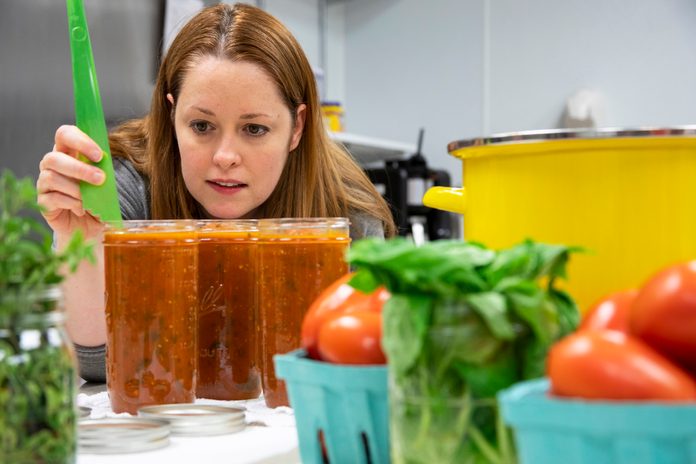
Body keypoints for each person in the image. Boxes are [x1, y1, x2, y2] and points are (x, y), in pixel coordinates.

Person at [36, 3, 396, 382]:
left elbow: (367, 364)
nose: (225, 157)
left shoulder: (345, 213)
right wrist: (80, 240)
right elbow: (98, 366)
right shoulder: (124, 185)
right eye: (202, 125)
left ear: (296, 126)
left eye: (254, 129)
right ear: (172, 114)